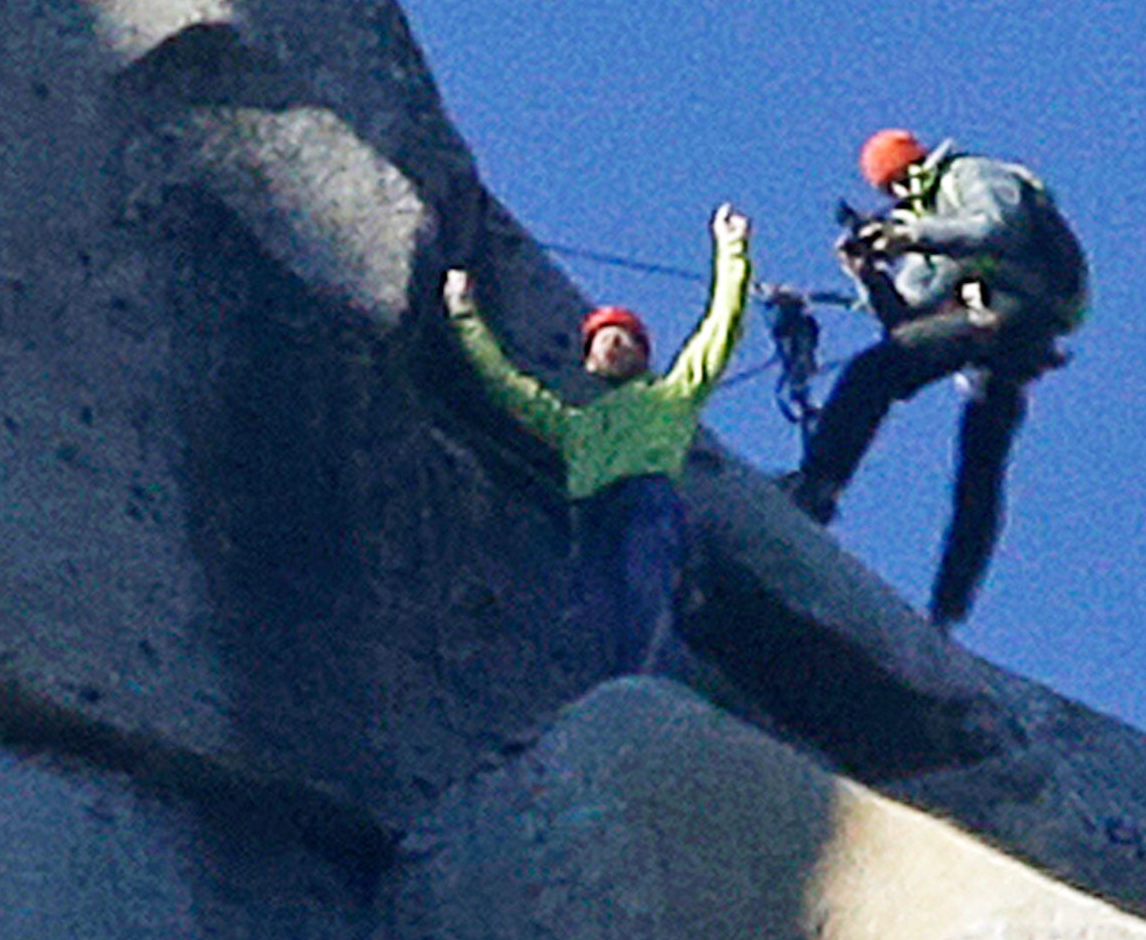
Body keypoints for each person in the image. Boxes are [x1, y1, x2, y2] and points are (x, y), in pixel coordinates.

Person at [785, 128, 1088, 627]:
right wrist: (870, 274)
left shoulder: (967, 174)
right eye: (891, 189)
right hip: (1009, 329)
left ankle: (818, 485)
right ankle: (948, 612)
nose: (898, 194)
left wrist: (910, 236)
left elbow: (997, 226)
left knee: (872, 373)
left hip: (1018, 307)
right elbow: (908, 326)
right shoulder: (926, 217)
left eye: (900, 179)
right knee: (979, 463)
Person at [442, 204, 752, 677]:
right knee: (586, 609)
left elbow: (719, 327)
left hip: (646, 500)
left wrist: (732, 250)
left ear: (643, 355)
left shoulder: (671, 396)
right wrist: (464, 316)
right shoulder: (576, 427)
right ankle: (604, 689)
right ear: (588, 362)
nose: (612, 344)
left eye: (624, 338)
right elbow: (506, 384)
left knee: (642, 590)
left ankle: (640, 682)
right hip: (589, 515)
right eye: (602, 340)